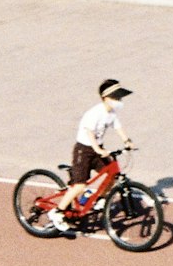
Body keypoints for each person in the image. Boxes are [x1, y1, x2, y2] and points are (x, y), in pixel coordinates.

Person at [51, 78, 133, 230]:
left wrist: (127, 141)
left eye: (119, 97)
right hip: (84, 149)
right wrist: (97, 149)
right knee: (80, 185)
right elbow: (89, 132)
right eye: (116, 97)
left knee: (112, 175)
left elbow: (118, 127)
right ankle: (58, 212)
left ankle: (101, 199)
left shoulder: (112, 113)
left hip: (98, 149)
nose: (119, 100)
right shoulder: (95, 113)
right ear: (105, 98)